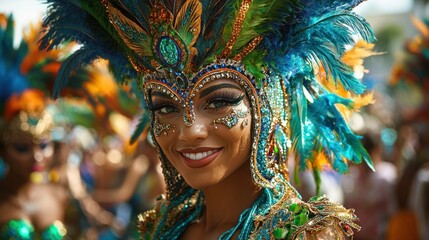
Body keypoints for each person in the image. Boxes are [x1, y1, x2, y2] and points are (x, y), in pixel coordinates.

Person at [40, 0, 376, 239]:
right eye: (165, 107)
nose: (189, 131)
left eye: (219, 101)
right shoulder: (163, 227)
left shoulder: (303, 234)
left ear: (266, 105)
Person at [0, 14, 68, 239]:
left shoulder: (59, 194)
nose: (37, 156)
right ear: (3, 150)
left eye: (44, 145)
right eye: (22, 148)